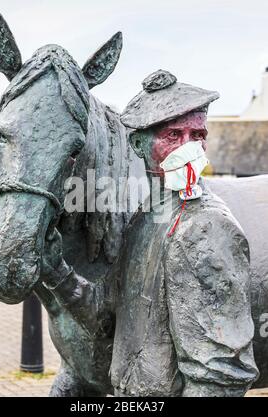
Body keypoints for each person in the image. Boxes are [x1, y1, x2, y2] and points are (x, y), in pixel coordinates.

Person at [109, 69, 259, 396]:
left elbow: (221, 373)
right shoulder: (143, 218)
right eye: (173, 135)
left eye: (197, 135)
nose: (188, 148)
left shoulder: (206, 227)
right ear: (138, 144)